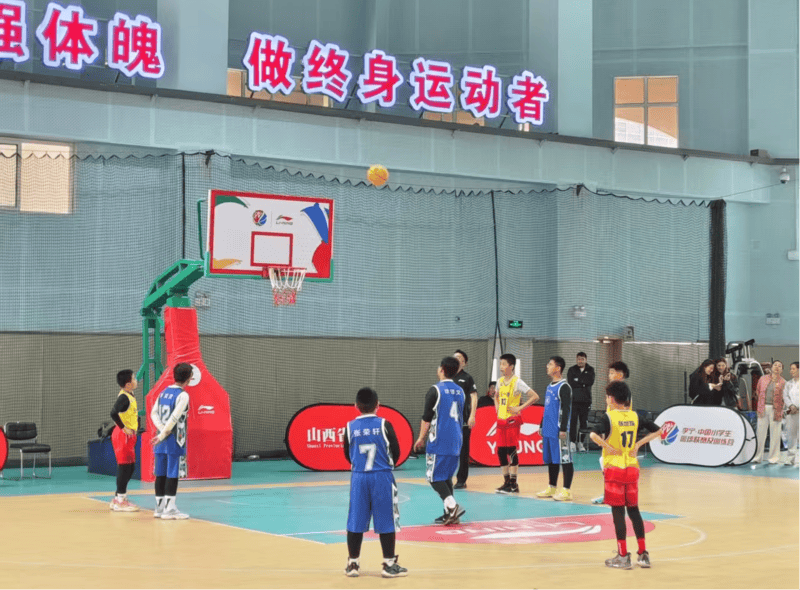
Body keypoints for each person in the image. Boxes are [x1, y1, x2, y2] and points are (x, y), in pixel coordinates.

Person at [590, 380, 661, 569]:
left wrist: (607, 446)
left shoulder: (609, 417)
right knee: (634, 510)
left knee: (618, 512)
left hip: (615, 469)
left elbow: (593, 435)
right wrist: (638, 444)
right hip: (631, 468)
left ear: (612, 399)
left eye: (607, 397)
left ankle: (622, 555)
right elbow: (659, 431)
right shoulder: (635, 416)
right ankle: (643, 554)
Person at [343, 387, 406, 578]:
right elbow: (396, 451)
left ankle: (353, 563)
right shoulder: (384, 424)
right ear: (378, 405)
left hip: (359, 477)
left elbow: (347, 453)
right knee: (387, 520)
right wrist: (387, 464)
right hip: (381, 477)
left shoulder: (350, 427)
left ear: (356, 406)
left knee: (355, 520)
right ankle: (388, 564)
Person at [413, 356, 465, 525]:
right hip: (456, 439)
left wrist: (421, 438)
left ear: (442, 369)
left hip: (440, 440)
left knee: (434, 477)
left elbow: (426, 418)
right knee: (446, 476)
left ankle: (452, 506)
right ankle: (449, 514)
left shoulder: (435, 390)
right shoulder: (461, 391)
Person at [150, 362, 193, 519]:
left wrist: (161, 431)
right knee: (172, 473)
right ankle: (170, 509)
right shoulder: (183, 395)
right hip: (174, 439)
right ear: (189, 377)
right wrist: (164, 433)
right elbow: (174, 418)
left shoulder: (163, 392)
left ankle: (159, 508)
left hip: (160, 440)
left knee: (160, 473)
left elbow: (153, 413)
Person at [493, 353, 539, 494]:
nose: (501, 367)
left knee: (511, 450)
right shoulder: (499, 381)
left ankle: (514, 484)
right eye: (500, 364)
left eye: (503, 364)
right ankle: (506, 482)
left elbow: (535, 396)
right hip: (501, 421)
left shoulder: (517, 382)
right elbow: (495, 396)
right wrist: (497, 409)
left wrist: (520, 408)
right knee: (501, 452)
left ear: (511, 366)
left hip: (512, 421)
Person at [591, 361, 630, 504]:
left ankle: (614, 493)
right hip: (610, 434)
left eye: (612, 372)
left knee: (612, 465)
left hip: (617, 436)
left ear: (620, 374)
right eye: (609, 372)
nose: (610, 375)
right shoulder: (614, 390)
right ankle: (612, 492)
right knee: (605, 463)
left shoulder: (623, 392)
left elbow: (625, 414)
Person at [536, 356, 574, 501]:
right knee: (552, 459)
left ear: (558, 368)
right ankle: (552, 487)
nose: (547, 366)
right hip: (548, 429)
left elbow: (566, 409)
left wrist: (563, 428)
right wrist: (542, 424)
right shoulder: (549, 386)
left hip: (559, 431)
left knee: (565, 459)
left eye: (550, 364)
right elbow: (547, 408)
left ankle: (566, 490)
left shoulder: (564, 387)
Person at [109, 369, 140, 512]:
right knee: (124, 467)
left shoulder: (130, 395)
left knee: (130, 467)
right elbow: (113, 413)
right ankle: (120, 501)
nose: (136, 380)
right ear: (128, 384)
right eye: (134, 378)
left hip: (130, 436)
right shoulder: (124, 398)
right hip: (123, 436)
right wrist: (123, 428)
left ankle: (118, 496)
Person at [453, 349, 478, 489]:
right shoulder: (447, 376)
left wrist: (472, 415)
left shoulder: (467, 378)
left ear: (464, 363)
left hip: (462, 420)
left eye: (459, 358)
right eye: (454, 357)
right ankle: (445, 476)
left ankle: (461, 480)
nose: (456, 359)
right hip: (449, 421)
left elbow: (474, 396)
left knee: (463, 451)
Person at [754, 360, 786, 464]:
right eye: (775, 365)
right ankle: (757, 457)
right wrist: (760, 406)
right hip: (763, 408)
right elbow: (758, 392)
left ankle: (773, 458)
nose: (777, 367)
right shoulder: (762, 379)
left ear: (782, 370)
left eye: (779, 366)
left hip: (776, 410)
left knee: (775, 434)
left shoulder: (783, 382)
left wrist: (781, 410)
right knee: (760, 433)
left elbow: (785, 397)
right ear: (771, 367)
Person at [567, 352, 595, 452]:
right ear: (576, 360)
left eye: (582, 359)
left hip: (586, 401)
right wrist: (583, 383)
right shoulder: (572, 369)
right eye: (578, 359)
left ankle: (580, 443)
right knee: (573, 422)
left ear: (585, 360)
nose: (580, 361)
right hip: (574, 401)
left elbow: (590, 381)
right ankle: (572, 442)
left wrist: (578, 381)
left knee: (583, 423)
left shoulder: (590, 370)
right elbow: (571, 383)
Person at [783, 362, 800, 466]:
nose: (791, 371)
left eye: (793, 369)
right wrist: (791, 406)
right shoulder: (788, 384)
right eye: (790, 369)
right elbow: (785, 396)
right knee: (791, 436)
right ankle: (790, 459)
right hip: (791, 412)